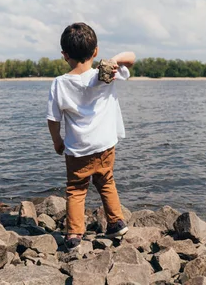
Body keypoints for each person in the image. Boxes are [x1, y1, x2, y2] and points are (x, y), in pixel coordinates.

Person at [46, 22, 136, 251]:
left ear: (64, 55)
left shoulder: (59, 84)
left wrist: (57, 141)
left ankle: (75, 233)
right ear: (95, 51)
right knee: (106, 181)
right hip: (105, 145)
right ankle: (116, 222)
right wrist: (114, 59)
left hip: (77, 149)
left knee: (76, 189)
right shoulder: (105, 76)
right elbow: (132, 57)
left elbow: (53, 119)